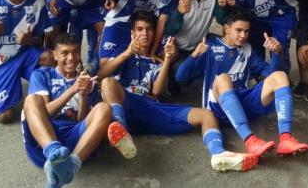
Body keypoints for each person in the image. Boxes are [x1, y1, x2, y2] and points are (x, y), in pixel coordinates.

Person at [98, 11, 258, 172]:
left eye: (149, 29)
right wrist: (127, 53)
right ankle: (120, 129)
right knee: (108, 83)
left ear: (155, 33)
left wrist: (167, 60)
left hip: (152, 109)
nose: (144, 33)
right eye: (139, 29)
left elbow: (156, 91)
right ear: (132, 33)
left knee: (206, 115)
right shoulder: (123, 52)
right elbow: (101, 76)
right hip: (127, 106)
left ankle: (218, 153)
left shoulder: (157, 59)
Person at [176, 10, 308, 158]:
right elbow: (180, 78)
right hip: (218, 110)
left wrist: (277, 53)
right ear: (226, 28)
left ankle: (286, 139)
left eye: (246, 31)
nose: (243, 36)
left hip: (242, 106)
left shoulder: (247, 49)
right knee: (223, 79)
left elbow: (269, 74)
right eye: (238, 30)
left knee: (280, 76)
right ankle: (250, 140)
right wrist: (194, 55)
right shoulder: (210, 46)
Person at [22, 33, 136, 188]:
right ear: (55, 55)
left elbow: (82, 121)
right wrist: (72, 90)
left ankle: (71, 166)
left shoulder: (86, 80)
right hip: (44, 140)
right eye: (64, 53)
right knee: (31, 100)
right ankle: (53, 152)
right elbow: (46, 112)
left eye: (75, 52)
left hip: (75, 141)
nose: (71, 58)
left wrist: (83, 95)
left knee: (103, 108)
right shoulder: (42, 74)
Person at [162, 0, 234, 96]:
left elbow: (222, 19)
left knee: (224, 46)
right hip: (177, 49)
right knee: (181, 78)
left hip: (199, 45)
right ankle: (174, 75)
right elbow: (168, 30)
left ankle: (216, 80)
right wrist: (178, 12)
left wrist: (224, 6)